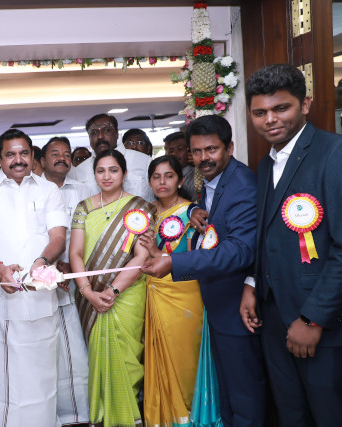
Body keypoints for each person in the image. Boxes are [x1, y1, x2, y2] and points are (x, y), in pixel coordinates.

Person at [141, 115, 266, 427]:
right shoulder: (209, 182)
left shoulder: (241, 185)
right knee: (227, 392)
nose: (203, 158)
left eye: (211, 149)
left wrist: (175, 263)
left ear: (229, 148)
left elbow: (240, 249)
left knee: (244, 393)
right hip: (214, 304)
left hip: (235, 303)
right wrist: (196, 208)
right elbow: (212, 219)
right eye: (196, 151)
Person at [242, 63, 342, 426]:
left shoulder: (333, 154)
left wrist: (313, 317)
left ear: (305, 104)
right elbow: (267, 236)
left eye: (281, 108)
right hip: (273, 318)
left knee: (329, 414)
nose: (270, 120)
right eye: (259, 112)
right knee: (291, 414)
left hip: (319, 322)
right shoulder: (265, 165)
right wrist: (252, 283)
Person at [0, 128, 68, 427]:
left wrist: (42, 262)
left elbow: (58, 237)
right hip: (3, 303)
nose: (18, 159)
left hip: (41, 302)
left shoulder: (49, 190)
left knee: (42, 380)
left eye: (24, 153)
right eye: (10, 154)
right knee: (0, 383)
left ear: (32, 155)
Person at [69, 149, 155, 426]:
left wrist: (112, 291)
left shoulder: (140, 208)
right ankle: (104, 417)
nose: (107, 176)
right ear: (94, 174)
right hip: (90, 294)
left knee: (128, 358)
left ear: (124, 173)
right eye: (101, 170)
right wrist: (88, 292)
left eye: (113, 170)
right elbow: (75, 254)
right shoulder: (84, 208)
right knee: (99, 355)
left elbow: (142, 257)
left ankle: (129, 417)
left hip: (128, 294)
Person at [138, 156, 205, 427]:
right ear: (149, 182)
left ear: (180, 180)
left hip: (183, 294)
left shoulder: (192, 212)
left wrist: (156, 253)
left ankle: (187, 416)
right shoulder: (144, 213)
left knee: (183, 360)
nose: (162, 182)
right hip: (152, 290)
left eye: (169, 176)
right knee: (157, 359)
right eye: (156, 177)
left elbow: (194, 259)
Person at [40, 136, 91, 425]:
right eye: (55, 153)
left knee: (77, 352)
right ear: (42, 160)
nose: (62, 157)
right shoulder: (34, 191)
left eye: (66, 153)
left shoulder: (83, 190)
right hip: (43, 281)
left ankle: (78, 413)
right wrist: (49, 266)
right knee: (48, 353)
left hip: (80, 281)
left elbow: (93, 233)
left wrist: (73, 265)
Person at [69, 113, 153, 200]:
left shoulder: (144, 161)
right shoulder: (79, 170)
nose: (100, 136)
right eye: (94, 133)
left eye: (106, 130)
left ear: (116, 134)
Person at [164, 131, 197, 201]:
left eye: (180, 149)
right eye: (170, 150)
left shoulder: (195, 177)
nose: (174, 154)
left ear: (189, 151)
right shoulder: (164, 175)